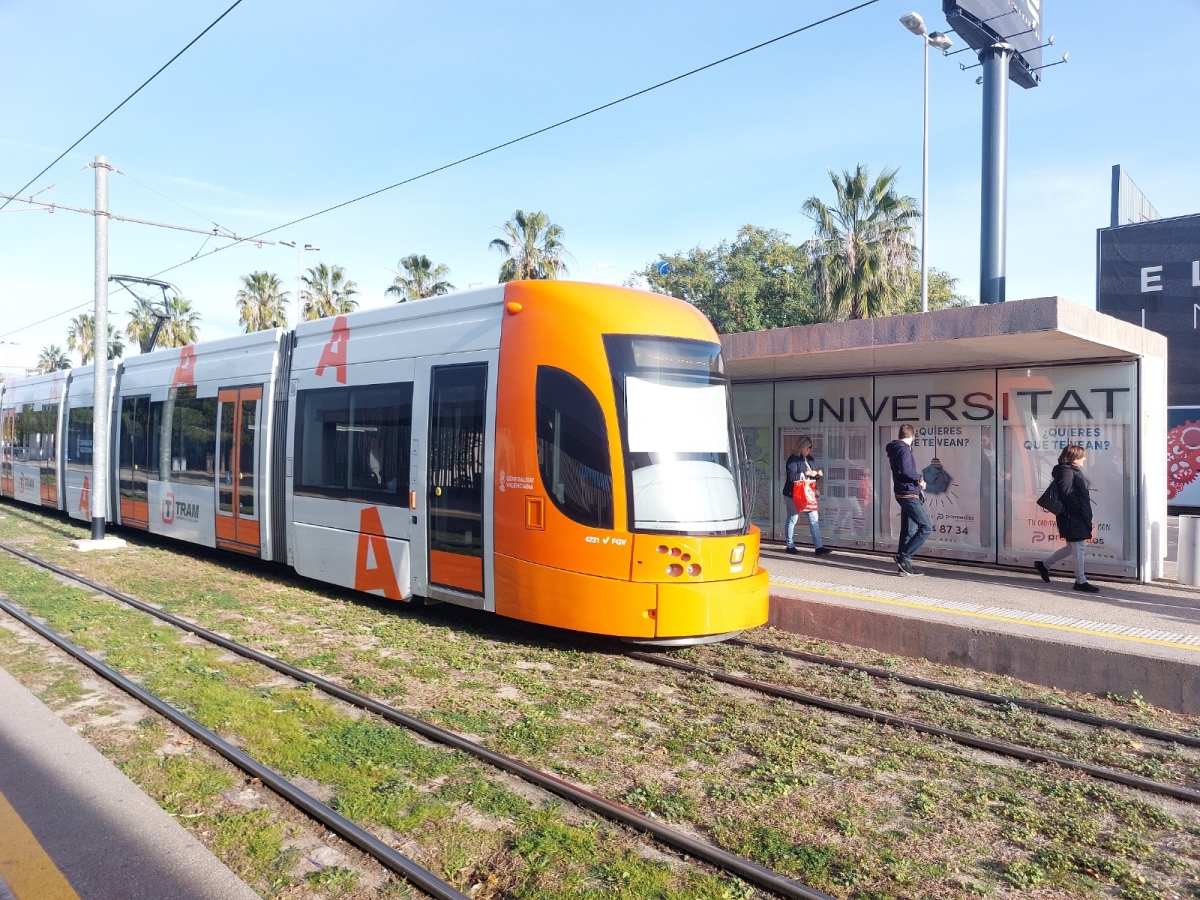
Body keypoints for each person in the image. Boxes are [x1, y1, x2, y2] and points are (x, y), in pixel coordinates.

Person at [1035, 444, 1099, 593]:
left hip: (1075, 515)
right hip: (1072, 516)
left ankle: (1044, 565)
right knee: (1079, 547)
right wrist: (1078, 510)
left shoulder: (1072, 471)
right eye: (1081, 456)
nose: (1084, 458)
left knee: (1072, 547)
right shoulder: (1066, 472)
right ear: (1073, 458)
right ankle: (1080, 581)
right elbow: (1067, 494)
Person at [886, 424, 931, 576]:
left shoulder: (895, 448)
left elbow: (903, 470)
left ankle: (903, 567)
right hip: (908, 494)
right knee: (925, 527)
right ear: (912, 437)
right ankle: (903, 557)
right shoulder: (904, 449)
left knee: (908, 531)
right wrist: (919, 478)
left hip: (902, 492)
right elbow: (906, 470)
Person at [782, 436, 833, 556]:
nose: (809, 450)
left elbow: (812, 475)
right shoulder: (793, 460)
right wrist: (806, 473)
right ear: (801, 447)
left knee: (813, 519)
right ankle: (790, 545)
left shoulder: (810, 459)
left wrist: (816, 474)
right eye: (807, 447)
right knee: (792, 518)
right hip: (794, 494)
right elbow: (792, 477)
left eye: (810, 448)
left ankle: (819, 547)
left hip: (808, 494)